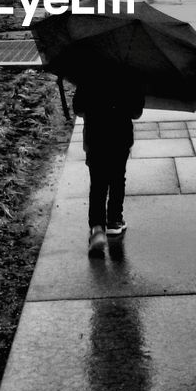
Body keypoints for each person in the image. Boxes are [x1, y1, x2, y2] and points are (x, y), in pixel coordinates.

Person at [72, 65, 145, 257]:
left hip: (95, 138)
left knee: (97, 183)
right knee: (117, 178)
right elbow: (136, 112)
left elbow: (78, 109)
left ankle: (97, 228)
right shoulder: (130, 75)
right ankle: (114, 221)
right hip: (120, 138)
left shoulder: (88, 74)